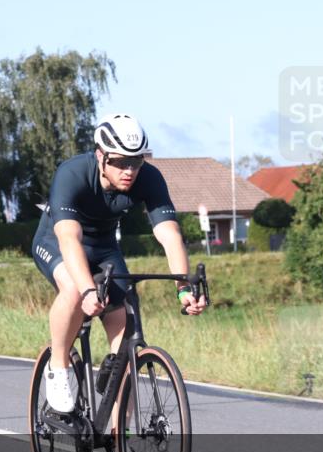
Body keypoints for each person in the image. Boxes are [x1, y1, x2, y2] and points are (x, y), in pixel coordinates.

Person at [32, 113, 207, 413]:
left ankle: (119, 440)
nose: (129, 171)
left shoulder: (149, 178)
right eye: (120, 162)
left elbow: (170, 235)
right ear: (101, 156)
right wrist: (88, 291)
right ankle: (58, 367)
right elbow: (69, 238)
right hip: (57, 241)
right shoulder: (73, 173)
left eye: (136, 162)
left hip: (104, 248)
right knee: (74, 289)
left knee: (124, 341)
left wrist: (182, 287)